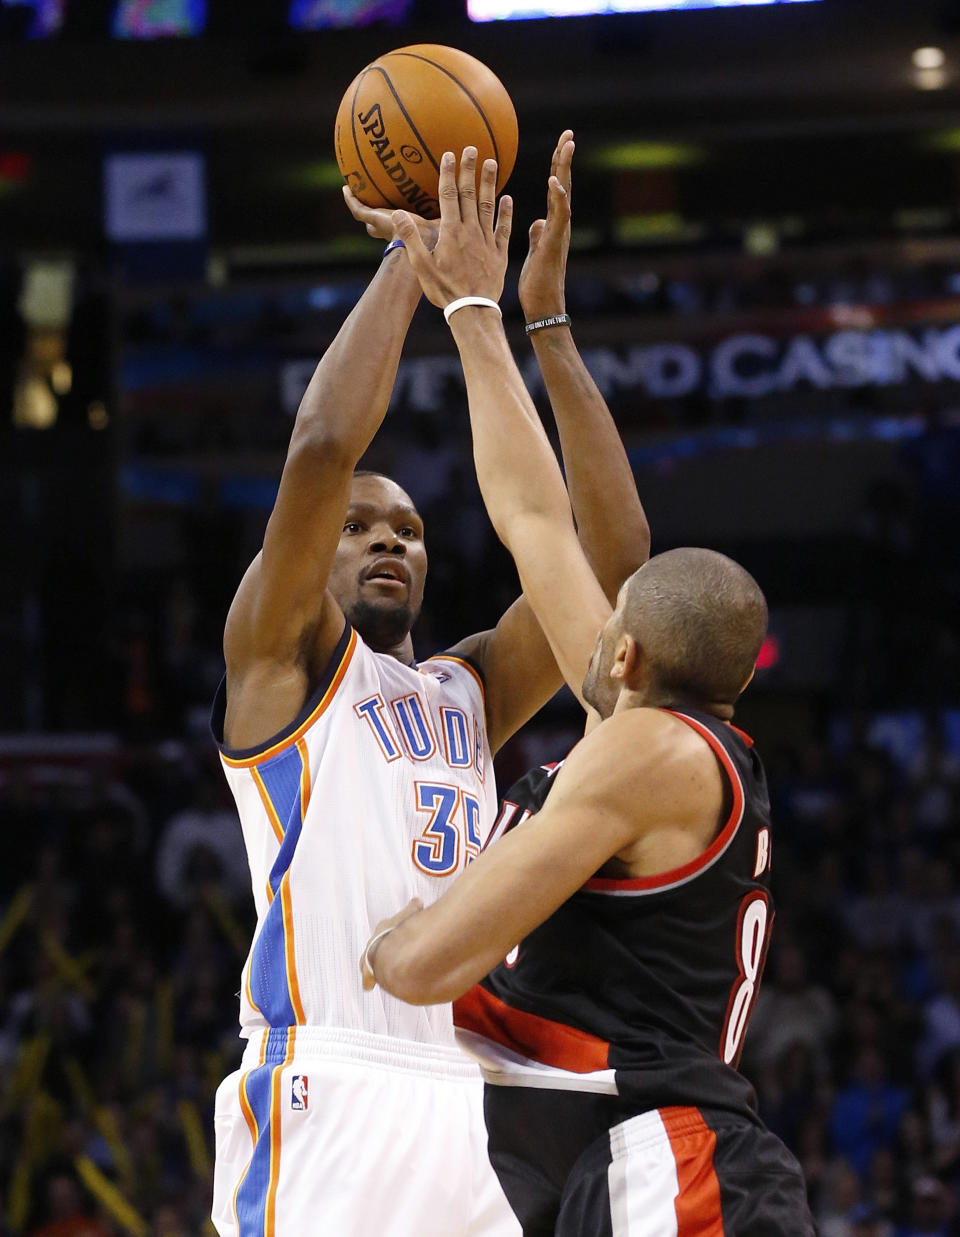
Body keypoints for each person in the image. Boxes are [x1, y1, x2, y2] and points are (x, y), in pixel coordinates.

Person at [362, 147, 815, 1235]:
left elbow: (426, 964)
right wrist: (526, 318)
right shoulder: (652, 732)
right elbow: (532, 521)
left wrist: (367, 945)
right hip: (617, 1158)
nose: (588, 614)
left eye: (605, 623)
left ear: (620, 658)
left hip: (673, 1161)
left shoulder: (647, 753)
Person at [208, 134, 649, 1237]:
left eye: (407, 528)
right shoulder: (282, 669)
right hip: (327, 1083)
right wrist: (419, 259)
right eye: (358, 530)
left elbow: (614, 559)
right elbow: (320, 445)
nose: (385, 541)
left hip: (465, 1095)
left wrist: (538, 326)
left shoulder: (469, 692)